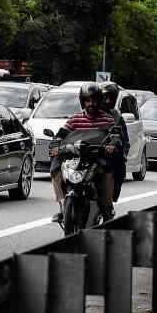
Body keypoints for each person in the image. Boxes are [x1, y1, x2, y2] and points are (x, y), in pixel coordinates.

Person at [50, 82, 119, 223]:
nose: (91, 103)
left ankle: (107, 206)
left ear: (99, 101)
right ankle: (62, 206)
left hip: (97, 158)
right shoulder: (75, 119)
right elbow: (60, 135)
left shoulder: (107, 119)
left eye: (94, 100)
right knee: (55, 168)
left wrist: (111, 145)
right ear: (83, 102)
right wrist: (55, 145)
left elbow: (115, 136)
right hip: (75, 158)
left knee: (108, 171)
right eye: (88, 100)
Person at [99, 81, 129, 206]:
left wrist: (117, 147)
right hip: (86, 151)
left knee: (119, 167)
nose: (107, 101)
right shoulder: (86, 112)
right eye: (105, 97)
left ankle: (109, 201)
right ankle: (64, 201)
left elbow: (123, 139)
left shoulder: (116, 116)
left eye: (111, 98)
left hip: (107, 153)